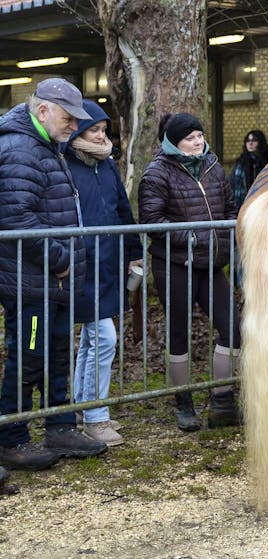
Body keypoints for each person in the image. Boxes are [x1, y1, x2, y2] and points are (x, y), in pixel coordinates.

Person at [0, 78, 108, 471]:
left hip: (52, 280)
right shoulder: (20, 149)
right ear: (42, 110)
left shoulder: (45, 146)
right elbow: (16, 218)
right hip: (32, 282)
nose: (73, 125)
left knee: (57, 353)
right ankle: (10, 437)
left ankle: (60, 425)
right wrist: (60, 258)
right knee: (28, 357)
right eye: (67, 117)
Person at [139, 112, 242, 430]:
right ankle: (184, 402)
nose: (198, 142)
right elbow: (152, 221)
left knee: (234, 329)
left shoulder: (213, 166)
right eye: (190, 138)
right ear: (173, 142)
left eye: (199, 136)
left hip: (212, 264)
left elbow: (230, 207)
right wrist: (194, 234)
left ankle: (222, 400)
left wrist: (229, 232)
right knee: (179, 333)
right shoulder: (157, 173)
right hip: (175, 264)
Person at [64, 99, 143, 447]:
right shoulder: (64, 163)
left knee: (93, 340)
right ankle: (96, 418)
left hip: (108, 263)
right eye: (93, 130)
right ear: (78, 130)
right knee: (104, 338)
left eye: (103, 130)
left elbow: (122, 211)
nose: (100, 136)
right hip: (79, 265)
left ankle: (84, 407)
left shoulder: (108, 166)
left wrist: (134, 253)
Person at [229, 130, 268, 212]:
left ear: (260, 143)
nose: (250, 143)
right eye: (248, 141)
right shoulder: (240, 165)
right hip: (243, 208)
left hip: (263, 208)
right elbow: (233, 188)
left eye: (254, 140)